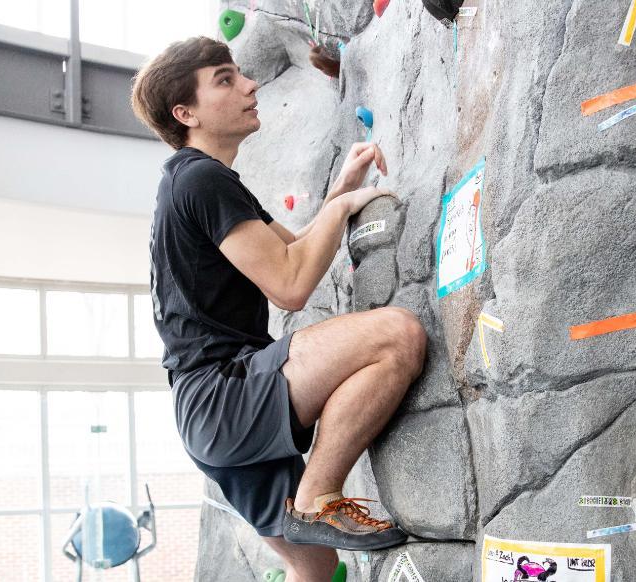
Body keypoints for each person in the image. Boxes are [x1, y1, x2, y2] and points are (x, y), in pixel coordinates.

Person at [131, 37, 428, 581]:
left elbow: (295, 249)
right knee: (397, 336)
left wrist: (342, 187)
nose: (249, 86)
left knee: (314, 567)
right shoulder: (201, 178)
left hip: (208, 421)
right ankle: (317, 495)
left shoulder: (194, 183)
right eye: (224, 79)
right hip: (224, 395)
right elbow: (291, 285)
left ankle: (313, 503)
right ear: (185, 113)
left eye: (240, 74)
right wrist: (341, 208)